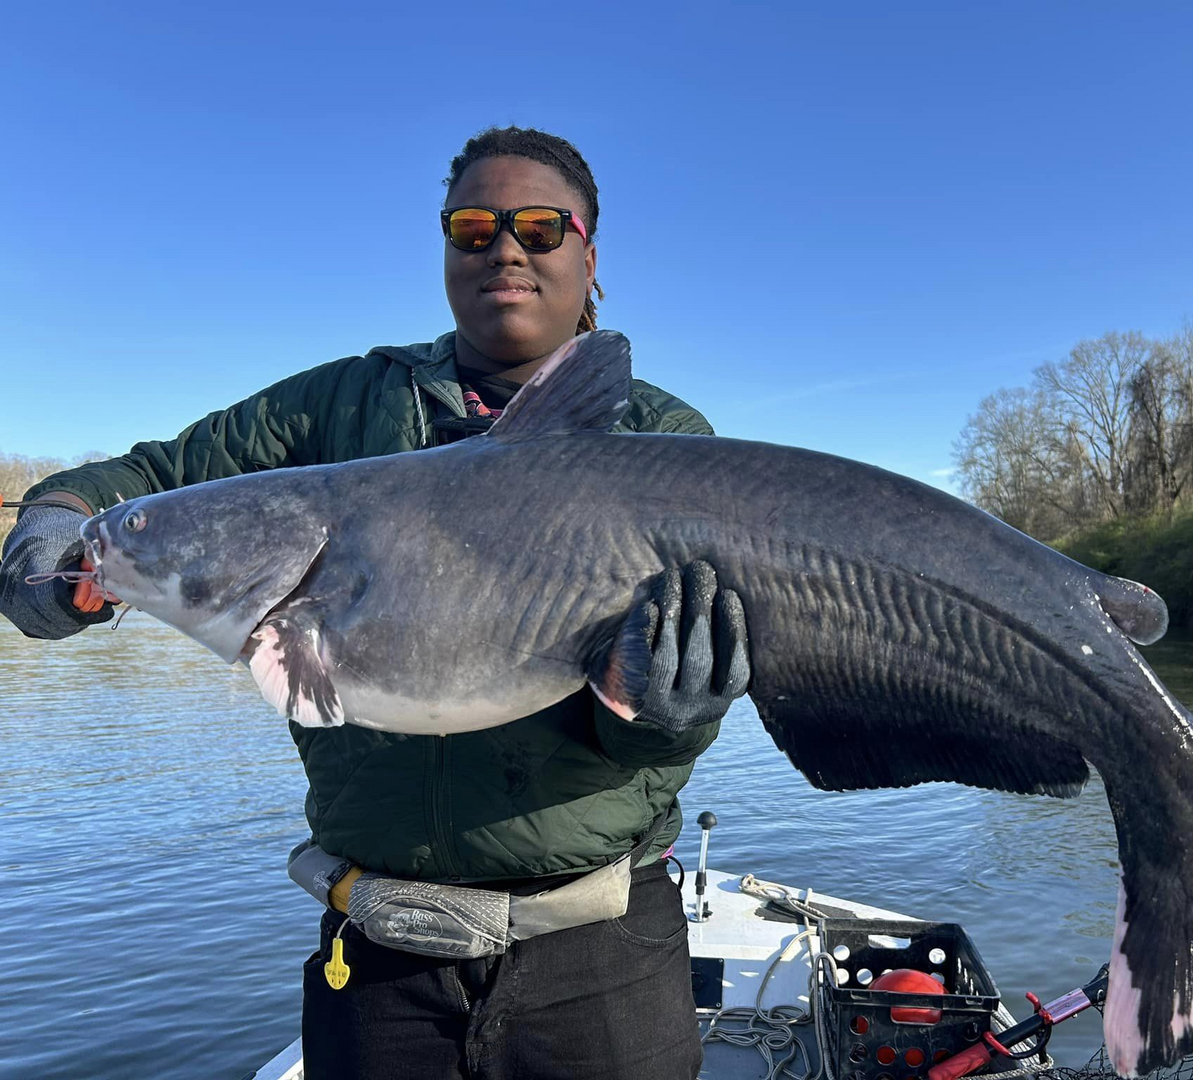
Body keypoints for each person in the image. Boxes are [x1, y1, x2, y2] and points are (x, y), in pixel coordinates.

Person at [0, 126, 747, 1080]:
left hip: (600, 956)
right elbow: (145, 478)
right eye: (473, 226)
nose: (505, 248)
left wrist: (671, 719)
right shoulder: (338, 407)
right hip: (380, 958)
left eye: (539, 227)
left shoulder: (662, 436)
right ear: (446, 248)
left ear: (589, 254)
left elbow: (663, 722)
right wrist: (57, 521)